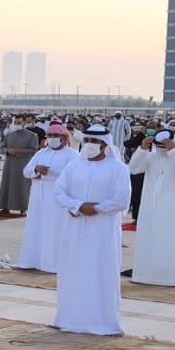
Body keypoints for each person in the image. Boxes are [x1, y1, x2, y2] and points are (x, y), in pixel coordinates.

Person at [52, 126, 133, 336]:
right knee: (73, 270)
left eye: (94, 141)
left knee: (101, 271)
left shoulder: (118, 169)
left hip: (103, 231)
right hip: (74, 228)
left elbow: (122, 200)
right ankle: (69, 318)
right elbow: (59, 191)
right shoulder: (73, 167)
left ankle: (102, 322)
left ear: (105, 145)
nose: (89, 144)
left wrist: (95, 208)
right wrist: (77, 206)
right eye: (86, 139)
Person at [125, 129, 175, 286]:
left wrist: (174, 151)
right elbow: (133, 168)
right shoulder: (151, 156)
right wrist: (142, 149)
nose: (162, 147)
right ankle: (146, 275)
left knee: (172, 241)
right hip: (151, 208)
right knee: (150, 240)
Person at [15, 124, 76, 272]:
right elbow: (26, 171)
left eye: (56, 136)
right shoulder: (41, 153)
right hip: (38, 196)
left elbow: (73, 175)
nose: (53, 139)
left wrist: (49, 172)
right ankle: (32, 261)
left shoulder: (73, 155)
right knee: (36, 228)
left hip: (58, 197)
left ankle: (53, 263)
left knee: (54, 229)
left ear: (64, 138)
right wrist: (37, 170)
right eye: (50, 136)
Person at [0, 115, 39, 217]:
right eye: (15, 122)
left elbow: (33, 150)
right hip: (9, 164)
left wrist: (17, 151)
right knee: (7, 185)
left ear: (25, 123)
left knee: (23, 186)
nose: (17, 125)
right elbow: (2, 148)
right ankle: (5, 207)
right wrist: (8, 151)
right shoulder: (9, 135)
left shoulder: (32, 136)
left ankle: (23, 208)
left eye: (19, 123)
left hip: (23, 164)